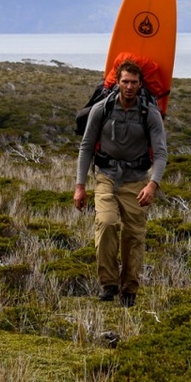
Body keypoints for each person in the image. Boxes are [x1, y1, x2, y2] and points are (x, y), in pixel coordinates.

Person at [74, 59, 168, 307]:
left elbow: (160, 153)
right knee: (106, 223)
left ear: (140, 84)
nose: (129, 86)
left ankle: (129, 290)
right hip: (105, 176)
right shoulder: (101, 109)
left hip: (136, 180)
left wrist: (153, 185)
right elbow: (85, 148)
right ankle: (109, 284)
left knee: (133, 235)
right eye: (125, 81)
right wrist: (80, 186)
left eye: (134, 82)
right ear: (117, 82)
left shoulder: (150, 114)